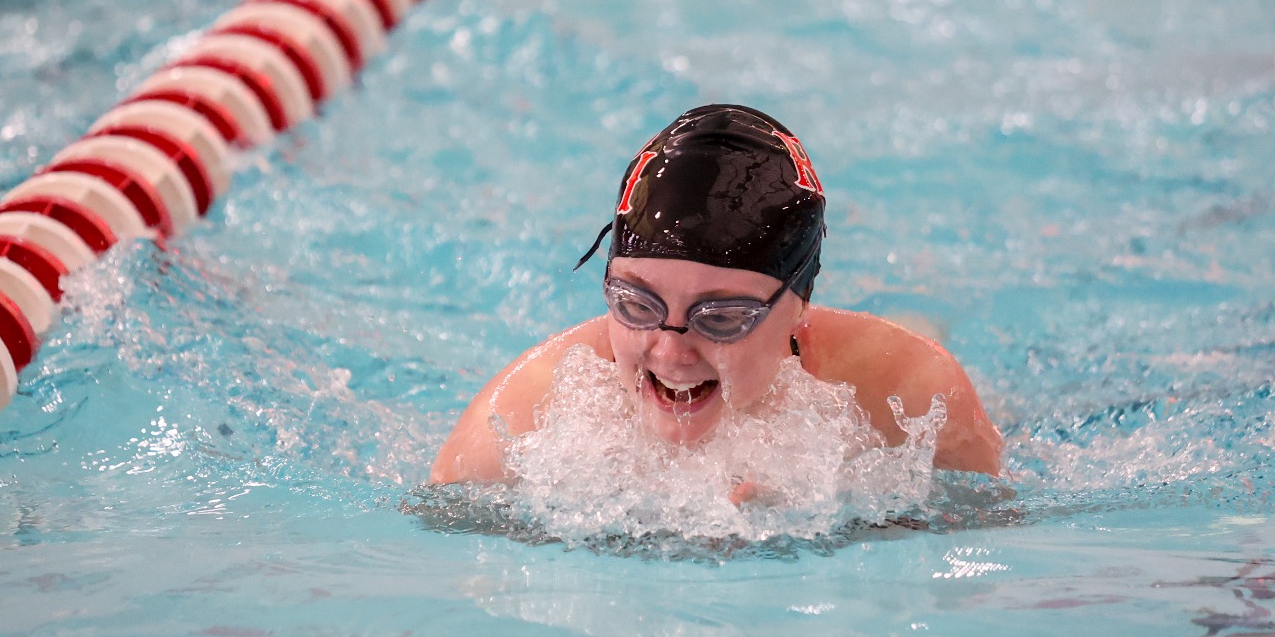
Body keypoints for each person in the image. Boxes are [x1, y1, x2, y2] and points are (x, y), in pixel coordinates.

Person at [430, 104, 1003, 485]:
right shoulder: (520, 421)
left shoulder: (908, 397)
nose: (671, 351)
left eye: (722, 317)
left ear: (798, 308)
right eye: (637, 305)